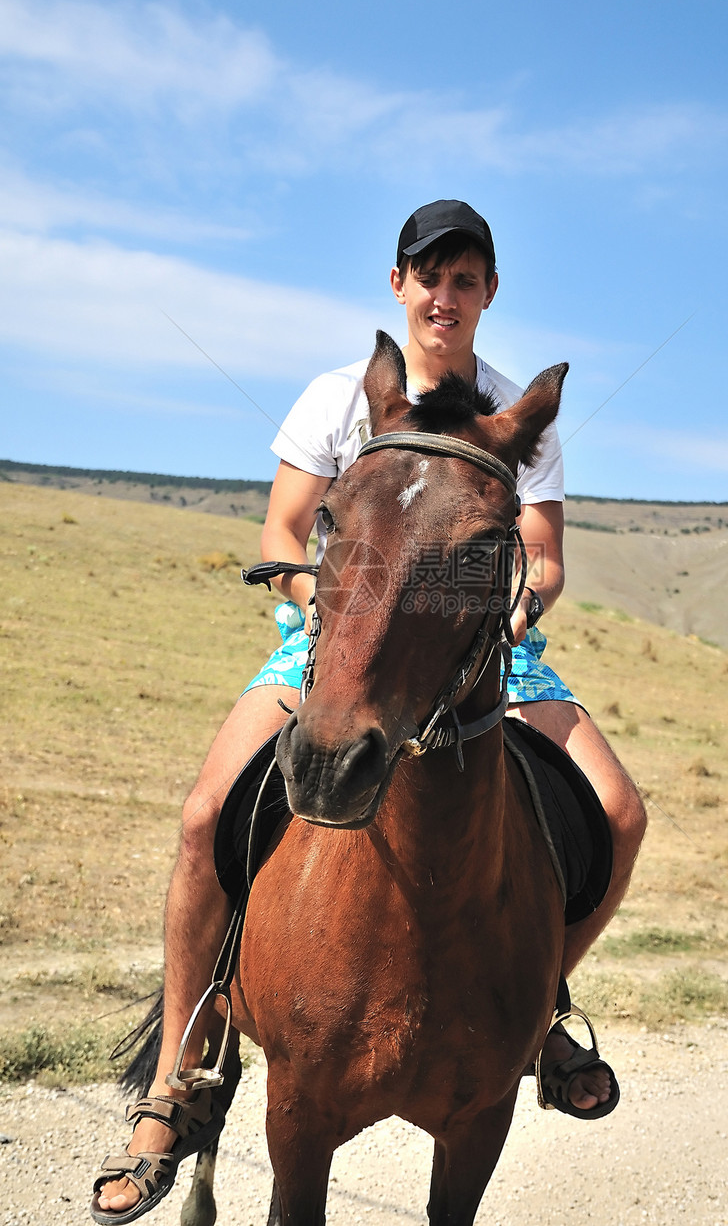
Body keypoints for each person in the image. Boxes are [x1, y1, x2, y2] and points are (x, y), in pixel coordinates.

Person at [92, 200, 647, 1223]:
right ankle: (180, 1068)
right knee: (204, 811)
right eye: (427, 274)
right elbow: (284, 523)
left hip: (483, 641)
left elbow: (548, 553)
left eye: (466, 277)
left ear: (486, 293)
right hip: (336, 630)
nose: (445, 293)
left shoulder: (510, 417)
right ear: (398, 285)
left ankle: (536, 1011)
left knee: (617, 812)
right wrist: (323, 603)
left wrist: (516, 609)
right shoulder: (335, 395)